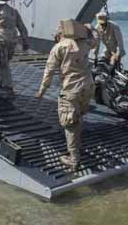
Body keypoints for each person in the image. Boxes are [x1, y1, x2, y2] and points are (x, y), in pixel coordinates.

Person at [35, 19, 99, 171]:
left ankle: (74, 159)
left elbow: (49, 71)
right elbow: (96, 39)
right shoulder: (85, 43)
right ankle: (78, 145)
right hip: (88, 87)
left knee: (69, 123)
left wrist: (42, 91)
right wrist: (90, 29)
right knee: (77, 117)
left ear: (59, 34)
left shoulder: (59, 47)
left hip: (72, 89)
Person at [0, 0, 29, 94]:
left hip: (2, 38)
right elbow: (21, 27)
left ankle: (7, 85)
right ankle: (1, 81)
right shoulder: (14, 11)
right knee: (6, 61)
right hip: (13, 39)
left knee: (3, 63)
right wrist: (25, 41)